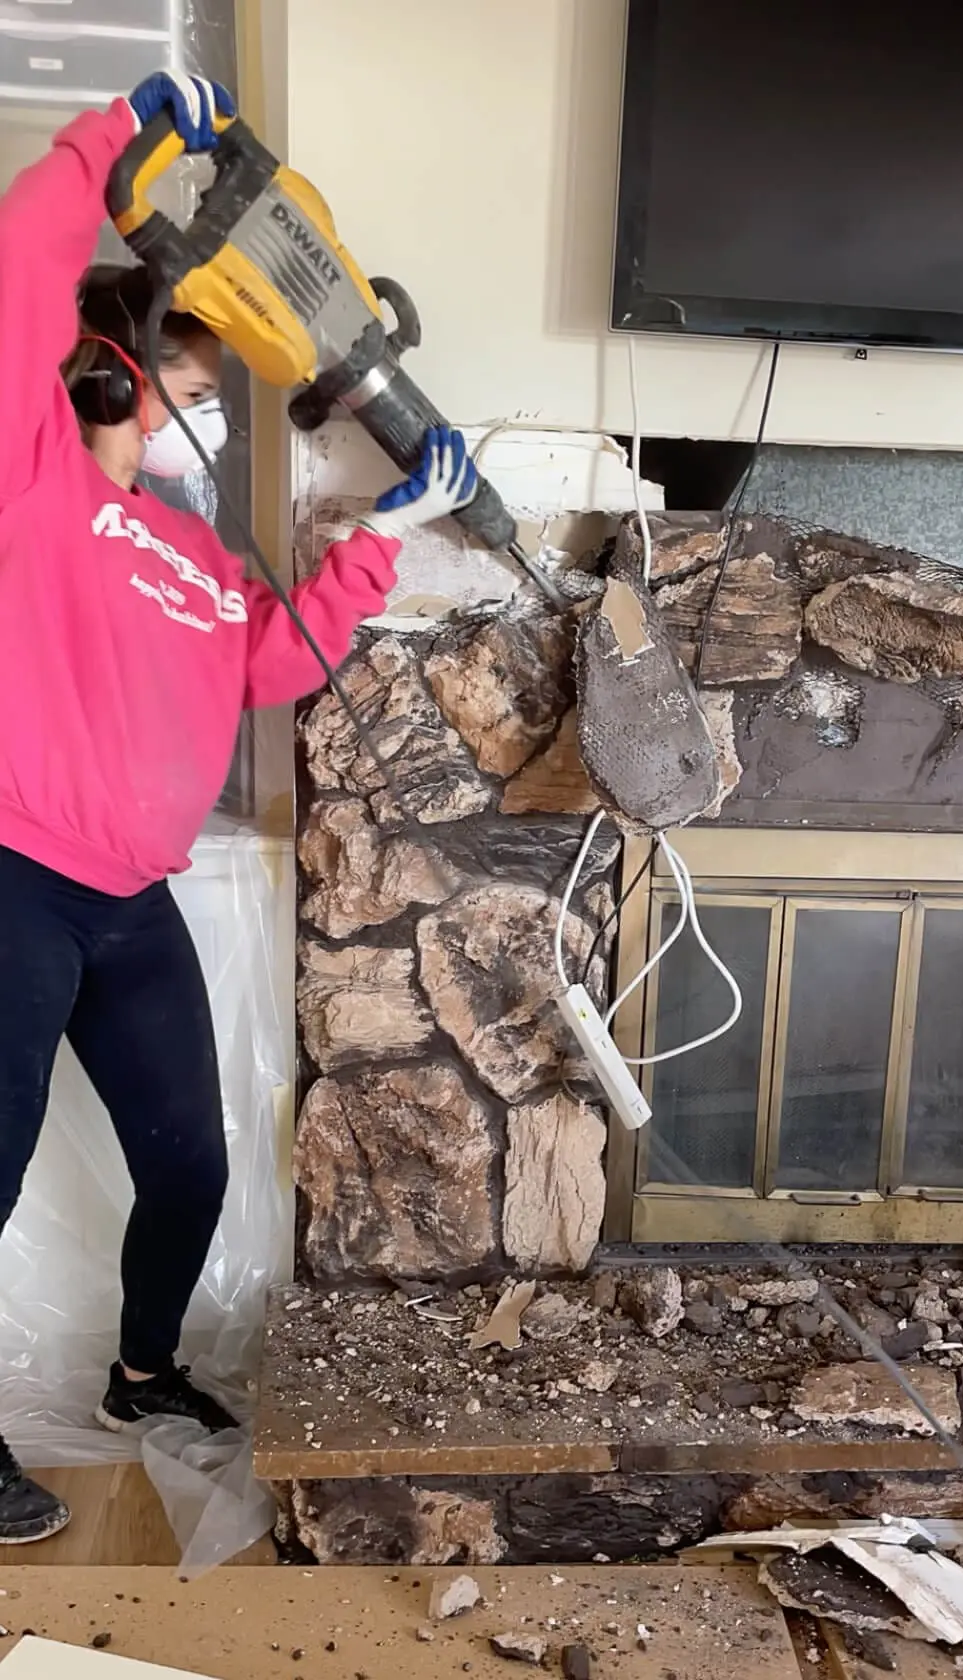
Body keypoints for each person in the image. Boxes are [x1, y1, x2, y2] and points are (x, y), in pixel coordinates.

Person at [0, 70, 480, 1545]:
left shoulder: (191, 556)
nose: (197, 417)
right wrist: (118, 137)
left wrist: (382, 538)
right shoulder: (27, 486)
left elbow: (272, 664)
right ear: (110, 366)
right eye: (191, 392)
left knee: (193, 1158)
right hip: (14, 879)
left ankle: (144, 1372)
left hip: (131, 900)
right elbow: (23, 260)